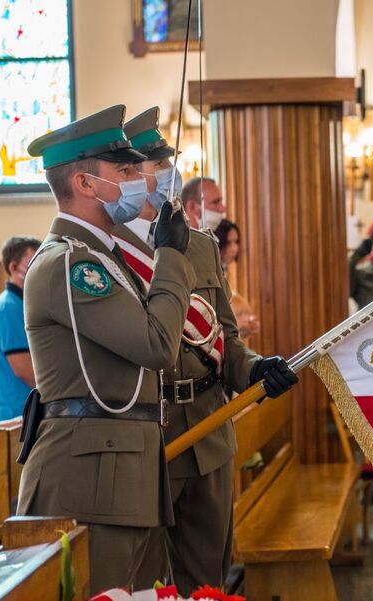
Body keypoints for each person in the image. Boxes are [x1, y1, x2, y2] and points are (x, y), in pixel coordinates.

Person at [16, 105, 198, 593]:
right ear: (85, 183)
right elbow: (156, 345)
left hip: (124, 466)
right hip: (92, 473)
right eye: (126, 171)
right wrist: (170, 256)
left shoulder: (102, 256)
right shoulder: (71, 264)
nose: (141, 180)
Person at [119, 107, 297, 595]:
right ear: (128, 175)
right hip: (149, 434)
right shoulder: (109, 250)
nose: (168, 173)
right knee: (145, 585)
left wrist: (256, 369)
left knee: (207, 582)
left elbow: (225, 338)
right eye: (156, 163)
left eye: (168, 161)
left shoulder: (199, 245)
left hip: (208, 428)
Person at [0, 236, 42, 421]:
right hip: (18, 415)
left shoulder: (23, 304)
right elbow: (24, 369)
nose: (40, 268)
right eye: (34, 262)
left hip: (29, 410)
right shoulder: (7, 308)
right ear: (13, 267)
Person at [214, 219, 260, 340]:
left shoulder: (223, 270)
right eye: (229, 242)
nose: (235, 248)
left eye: (236, 242)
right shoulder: (212, 271)